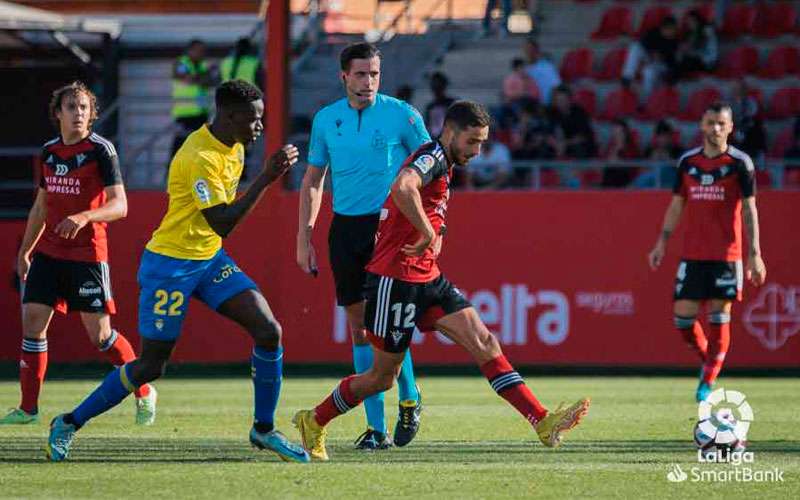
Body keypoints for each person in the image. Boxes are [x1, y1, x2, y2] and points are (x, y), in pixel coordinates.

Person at [292, 101, 591, 461]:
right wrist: (425, 231)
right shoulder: (432, 155)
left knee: (484, 340)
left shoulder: (444, 160)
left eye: (482, 143)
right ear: (450, 131)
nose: (477, 152)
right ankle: (314, 420)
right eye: (472, 141)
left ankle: (542, 421)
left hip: (427, 276)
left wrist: (434, 231)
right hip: (395, 277)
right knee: (381, 378)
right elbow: (403, 186)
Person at [45, 80, 309, 463]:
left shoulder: (233, 144)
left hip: (209, 259)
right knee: (152, 365)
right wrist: (266, 178)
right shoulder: (198, 157)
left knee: (269, 331)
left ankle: (264, 429)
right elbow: (221, 221)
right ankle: (68, 422)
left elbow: (215, 231)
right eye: (253, 120)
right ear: (230, 116)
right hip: (170, 265)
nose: (259, 127)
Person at [0, 82, 156, 426]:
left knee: (101, 337)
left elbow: (121, 205)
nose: (79, 113)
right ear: (58, 113)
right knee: (32, 325)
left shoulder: (102, 150)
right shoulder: (49, 152)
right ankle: (28, 409)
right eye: (71, 107)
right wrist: (24, 251)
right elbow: (41, 206)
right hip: (49, 253)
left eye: (84, 107)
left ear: (92, 113)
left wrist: (85, 216)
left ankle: (143, 390)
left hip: (87, 254)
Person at [297, 43, 428, 450]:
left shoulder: (402, 115)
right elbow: (314, 180)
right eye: (360, 74)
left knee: (385, 330)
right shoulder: (326, 120)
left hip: (391, 229)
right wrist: (305, 237)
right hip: (346, 230)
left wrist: (429, 224)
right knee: (359, 330)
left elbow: (432, 166)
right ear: (343, 77)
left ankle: (409, 398)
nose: (368, 81)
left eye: (374, 74)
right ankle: (377, 429)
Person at [648, 102, 767, 402]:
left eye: (721, 123)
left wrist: (754, 254)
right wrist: (662, 242)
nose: (715, 128)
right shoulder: (688, 162)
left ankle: (707, 380)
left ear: (730, 127)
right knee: (682, 318)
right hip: (693, 254)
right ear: (702, 125)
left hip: (727, 255)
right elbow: (677, 204)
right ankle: (709, 361)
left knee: (719, 314)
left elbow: (750, 209)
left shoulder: (741, 163)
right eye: (710, 122)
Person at [170, 39, 216, 160]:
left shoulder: (203, 65)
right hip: (184, 114)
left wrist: (200, 78)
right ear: (190, 50)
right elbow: (186, 79)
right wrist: (203, 77)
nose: (202, 53)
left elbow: (211, 81)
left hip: (201, 113)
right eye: (199, 50)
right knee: (180, 146)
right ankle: (171, 175)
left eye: (203, 51)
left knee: (199, 148)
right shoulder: (181, 63)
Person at [622, 16, 680, 99]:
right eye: (670, 29)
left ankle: (646, 101)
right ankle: (627, 77)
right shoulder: (653, 33)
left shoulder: (674, 41)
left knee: (648, 71)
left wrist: (661, 58)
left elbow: (672, 63)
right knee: (635, 47)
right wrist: (652, 53)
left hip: (662, 66)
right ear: (663, 28)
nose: (672, 32)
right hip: (650, 59)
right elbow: (643, 44)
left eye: (674, 29)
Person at [548, 84, 596, 159]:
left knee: (580, 149)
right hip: (559, 145)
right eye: (557, 100)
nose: (560, 103)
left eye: (562, 100)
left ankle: (580, 170)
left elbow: (582, 137)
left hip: (576, 145)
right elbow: (547, 133)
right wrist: (555, 143)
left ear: (569, 100)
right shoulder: (551, 112)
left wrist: (564, 143)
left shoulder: (579, 112)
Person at [676, 10, 718, 78]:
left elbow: (700, 46)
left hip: (708, 61)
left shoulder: (706, 29)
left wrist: (687, 48)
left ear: (696, 20)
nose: (689, 23)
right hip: (697, 58)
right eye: (688, 21)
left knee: (686, 60)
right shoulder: (690, 33)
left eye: (691, 21)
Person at [523, 40, 561, 105]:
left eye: (531, 49)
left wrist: (552, 104)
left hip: (546, 104)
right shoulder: (524, 69)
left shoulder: (547, 66)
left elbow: (556, 86)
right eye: (527, 50)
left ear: (537, 50)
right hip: (529, 105)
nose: (529, 52)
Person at [424, 72, 457, 138]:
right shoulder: (431, 107)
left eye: (438, 86)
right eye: (434, 86)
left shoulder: (452, 104)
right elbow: (428, 127)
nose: (436, 89)